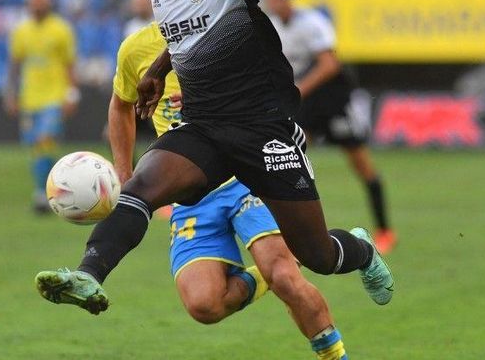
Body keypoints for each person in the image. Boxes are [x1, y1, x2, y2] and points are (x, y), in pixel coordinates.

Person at [34, 0, 393, 317]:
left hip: (263, 127)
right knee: (141, 187)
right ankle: (88, 274)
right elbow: (183, 29)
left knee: (317, 254)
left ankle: (362, 249)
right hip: (204, 124)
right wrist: (157, 70)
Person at [107, 21, 349, 359]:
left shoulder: (228, 30)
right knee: (204, 305)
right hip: (191, 190)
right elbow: (120, 106)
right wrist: (124, 175)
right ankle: (281, 265)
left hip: (246, 173)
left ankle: (334, 354)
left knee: (283, 276)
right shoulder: (135, 49)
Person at [264, 0, 397, 253]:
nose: (274, 2)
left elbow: (330, 65)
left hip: (333, 99)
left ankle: (384, 231)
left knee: (361, 165)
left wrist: (298, 90)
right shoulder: (270, 25)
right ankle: (286, 233)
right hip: (307, 103)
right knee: (288, 161)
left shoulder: (311, 22)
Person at [4, 0, 79, 214]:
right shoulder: (21, 31)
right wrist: (11, 94)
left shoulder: (61, 30)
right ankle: (48, 188)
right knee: (36, 147)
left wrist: (72, 94)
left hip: (53, 97)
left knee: (44, 140)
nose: (37, 5)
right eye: (33, 1)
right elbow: (15, 66)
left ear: (48, 3)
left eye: (41, 1)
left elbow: (70, 65)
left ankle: (42, 195)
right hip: (29, 99)